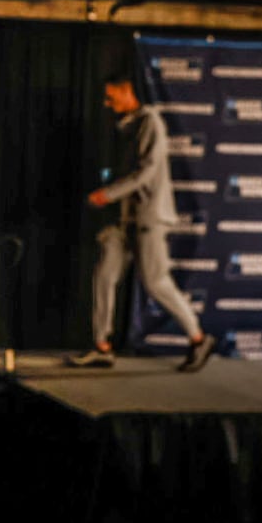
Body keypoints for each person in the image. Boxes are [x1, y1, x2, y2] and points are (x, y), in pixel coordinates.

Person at [69, 72, 217, 372]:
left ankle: (199, 339)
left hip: (149, 218)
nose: (107, 104)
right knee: (104, 275)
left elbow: (147, 172)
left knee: (156, 282)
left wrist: (106, 195)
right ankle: (102, 346)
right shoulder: (127, 126)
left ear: (128, 91)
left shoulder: (150, 122)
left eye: (111, 97)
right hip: (124, 220)